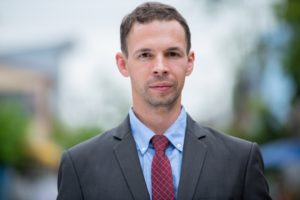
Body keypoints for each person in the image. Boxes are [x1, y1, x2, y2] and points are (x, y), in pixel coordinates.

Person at [57, 2, 271, 200]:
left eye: (172, 53)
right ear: (123, 64)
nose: (160, 67)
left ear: (190, 62)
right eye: (145, 55)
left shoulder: (239, 161)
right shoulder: (80, 166)